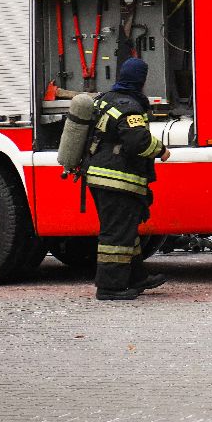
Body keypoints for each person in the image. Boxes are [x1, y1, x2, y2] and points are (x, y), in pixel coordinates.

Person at [87, 57, 172, 301]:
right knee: (116, 236)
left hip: (101, 176)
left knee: (126, 231)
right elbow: (137, 142)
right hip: (117, 179)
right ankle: (110, 287)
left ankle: (135, 277)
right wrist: (161, 149)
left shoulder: (105, 99)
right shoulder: (129, 105)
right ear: (140, 81)